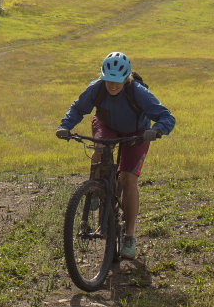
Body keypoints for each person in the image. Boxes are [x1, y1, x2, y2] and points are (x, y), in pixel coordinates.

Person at [55, 50, 174, 260]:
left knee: (128, 180)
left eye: (117, 81)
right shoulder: (96, 88)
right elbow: (78, 108)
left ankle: (129, 236)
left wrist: (156, 131)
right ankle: (95, 188)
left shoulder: (138, 92)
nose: (112, 86)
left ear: (127, 78)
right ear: (102, 76)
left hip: (137, 133)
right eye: (108, 80)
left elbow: (166, 116)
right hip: (106, 125)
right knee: (100, 148)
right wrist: (65, 126)